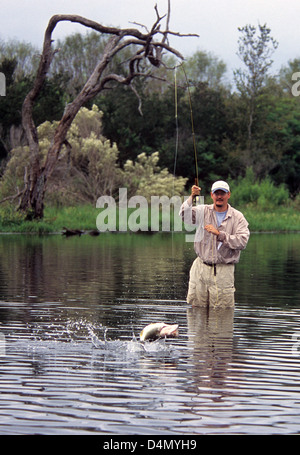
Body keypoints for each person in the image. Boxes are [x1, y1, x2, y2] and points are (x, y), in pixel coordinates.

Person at [179, 180, 250, 308]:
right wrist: (192, 197)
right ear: (211, 195)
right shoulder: (203, 210)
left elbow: (242, 241)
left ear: (228, 195)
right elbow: (184, 215)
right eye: (216, 193)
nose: (219, 196)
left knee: (222, 311)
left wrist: (219, 234)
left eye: (222, 193)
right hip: (200, 268)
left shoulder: (238, 217)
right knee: (196, 308)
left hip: (224, 270)